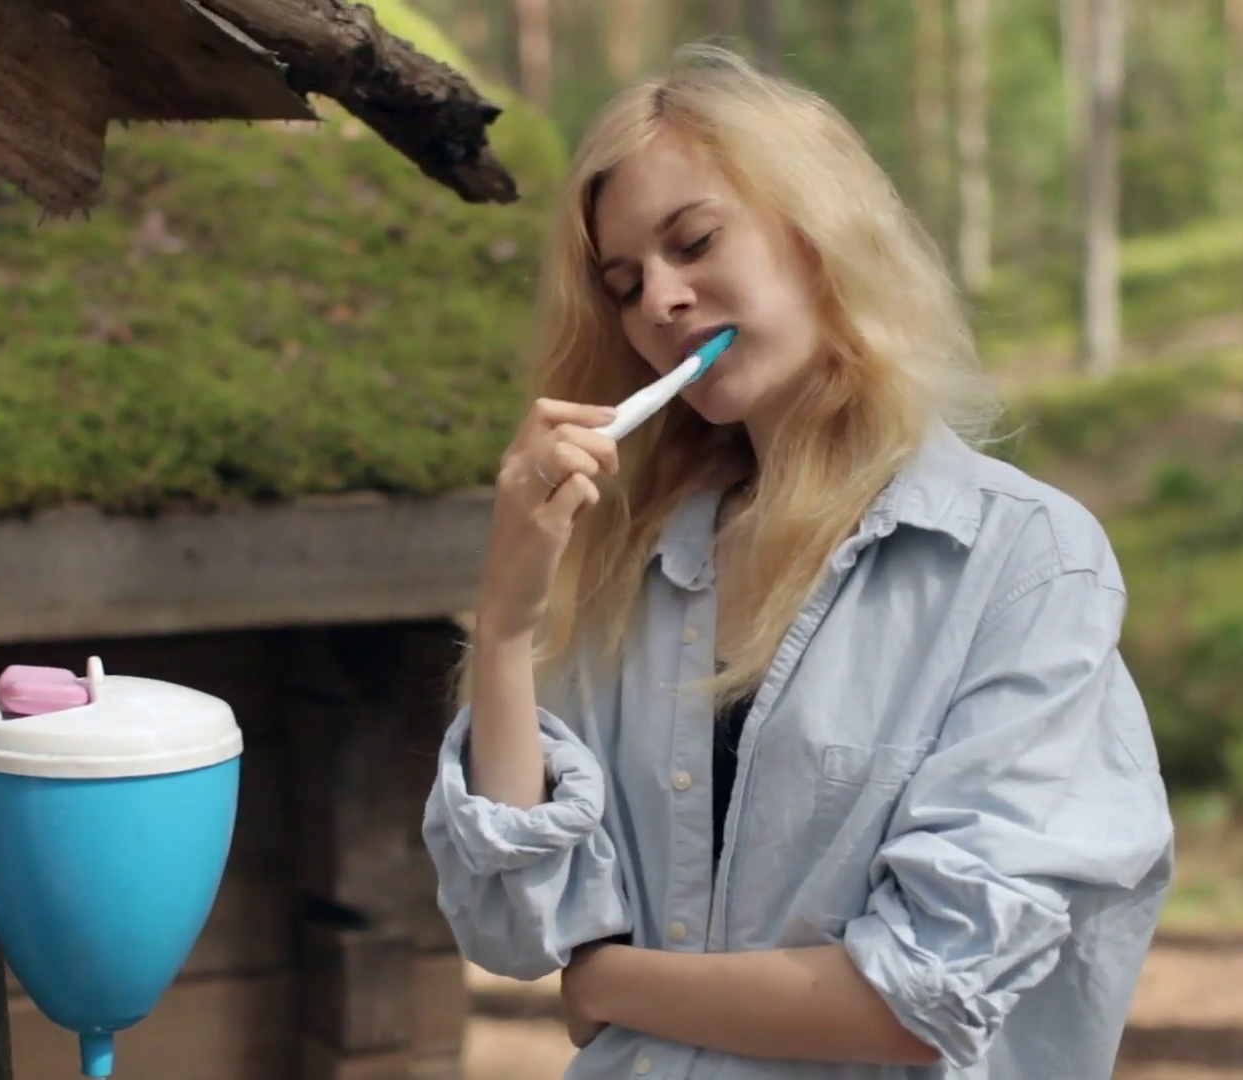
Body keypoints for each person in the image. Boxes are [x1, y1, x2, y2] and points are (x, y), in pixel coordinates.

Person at [420, 43, 1174, 1080]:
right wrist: (507, 627)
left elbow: (928, 993)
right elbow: (512, 924)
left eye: (694, 242)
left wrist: (615, 984)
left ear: (818, 230)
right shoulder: (635, 562)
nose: (661, 302)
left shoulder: (1022, 562)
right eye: (625, 284)